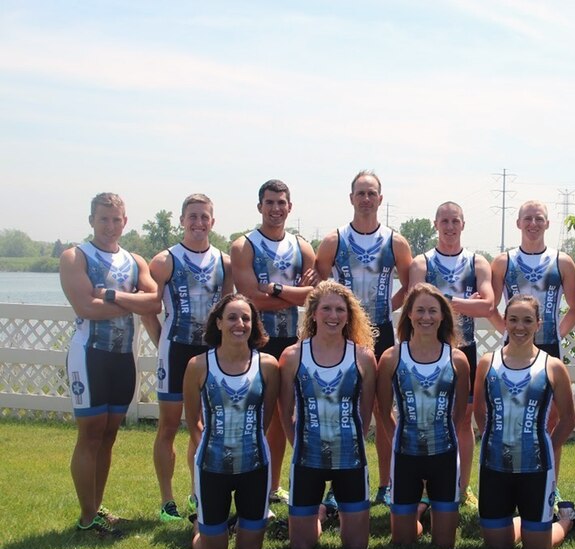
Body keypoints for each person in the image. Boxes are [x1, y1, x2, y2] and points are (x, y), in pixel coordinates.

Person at [59, 192, 160, 537]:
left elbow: (154, 301)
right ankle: (87, 517)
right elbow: (86, 308)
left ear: (125, 221)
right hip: (89, 355)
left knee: (109, 435)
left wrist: (113, 296)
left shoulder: (134, 260)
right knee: (90, 435)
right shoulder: (76, 257)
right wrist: (134, 303)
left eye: (116, 219)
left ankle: (97, 509)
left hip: (121, 358)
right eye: (103, 219)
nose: (110, 226)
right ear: (91, 220)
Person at [315, 169, 412, 505]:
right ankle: (334, 487)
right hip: (341, 336)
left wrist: (386, 306)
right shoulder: (333, 241)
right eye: (361, 193)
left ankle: (386, 484)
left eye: (372, 193)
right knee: (342, 409)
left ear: (381, 199)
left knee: (383, 409)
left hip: (381, 332)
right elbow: (319, 292)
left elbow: (410, 288)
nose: (367, 199)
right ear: (351, 198)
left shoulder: (396, 242)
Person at [142, 193, 233, 521]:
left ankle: (198, 493)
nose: (198, 223)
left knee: (205, 426)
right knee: (168, 426)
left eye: (204, 216)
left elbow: (227, 311)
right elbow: (149, 310)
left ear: (212, 221)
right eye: (192, 216)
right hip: (175, 351)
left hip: (209, 355)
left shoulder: (224, 262)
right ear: (182, 220)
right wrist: (161, 344)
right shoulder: (165, 261)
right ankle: (167, 501)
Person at [230, 179, 316, 506]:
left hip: (293, 344)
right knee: (254, 417)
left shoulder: (302, 246)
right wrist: (293, 295)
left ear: (290, 207)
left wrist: (275, 290)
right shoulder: (244, 246)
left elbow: (314, 295)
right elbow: (251, 300)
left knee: (286, 420)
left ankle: (272, 486)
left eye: (282, 202)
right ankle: (247, 484)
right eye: (270, 202)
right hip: (255, 345)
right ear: (259, 207)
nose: (276, 209)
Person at [489, 199, 575, 497]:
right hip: (511, 351)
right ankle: (510, 475)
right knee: (510, 415)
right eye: (527, 218)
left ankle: (549, 485)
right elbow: (491, 307)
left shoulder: (562, 261)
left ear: (547, 223)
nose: (533, 223)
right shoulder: (503, 261)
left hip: (550, 347)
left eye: (538, 218)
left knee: (552, 420)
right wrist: (511, 331)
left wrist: (554, 332)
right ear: (518, 223)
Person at [277, 281, 377, 549]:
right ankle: (320, 513)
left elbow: (366, 410)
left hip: (351, 459)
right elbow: (284, 409)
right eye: (326, 309)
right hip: (307, 459)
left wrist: (355, 439)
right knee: (301, 547)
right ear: (313, 313)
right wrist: (294, 442)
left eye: (340, 310)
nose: (334, 316)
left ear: (349, 315)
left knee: (357, 546)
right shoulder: (293, 356)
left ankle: (330, 509)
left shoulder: (363, 357)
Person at [475, 294, 575, 549]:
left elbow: (568, 418)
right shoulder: (488, 362)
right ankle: (527, 522)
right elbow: (479, 412)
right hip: (494, 465)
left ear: (538, 324)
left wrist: (547, 450)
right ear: (505, 323)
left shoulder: (552, 366)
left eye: (527, 320)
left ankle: (566, 520)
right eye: (513, 320)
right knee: (498, 546)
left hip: (536, 468)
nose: (520, 327)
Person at [408, 201, 494, 507]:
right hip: (428, 349)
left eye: (455, 221)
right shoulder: (422, 262)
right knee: (424, 417)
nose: (449, 226)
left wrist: (443, 299)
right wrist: (461, 301)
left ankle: (462, 485)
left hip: (464, 348)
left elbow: (487, 305)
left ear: (463, 224)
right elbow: (417, 303)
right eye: (444, 221)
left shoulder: (476, 262)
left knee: (464, 421)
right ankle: (421, 488)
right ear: (435, 224)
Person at [183, 294, 280, 549]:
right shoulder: (198, 365)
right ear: (218, 323)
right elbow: (192, 420)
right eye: (232, 317)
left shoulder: (268, 366)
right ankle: (198, 524)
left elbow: (267, 417)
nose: (240, 323)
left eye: (246, 318)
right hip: (212, 468)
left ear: (254, 324)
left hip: (255, 466)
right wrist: (207, 448)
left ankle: (236, 523)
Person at [377, 283, 471, 549]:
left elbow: (459, 414)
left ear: (443, 316)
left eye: (432, 311)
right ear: (408, 314)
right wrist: (398, 440)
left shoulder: (457, 360)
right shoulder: (392, 357)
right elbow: (383, 411)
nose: (426, 317)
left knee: (444, 544)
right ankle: (418, 510)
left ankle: (430, 508)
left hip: (444, 455)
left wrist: (442, 440)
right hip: (405, 456)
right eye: (419, 310)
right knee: (403, 542)